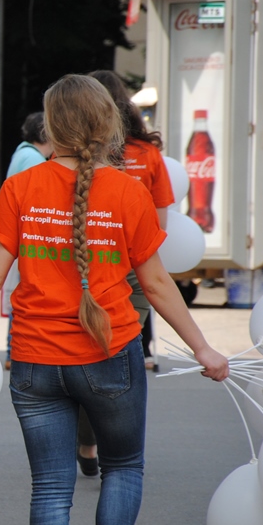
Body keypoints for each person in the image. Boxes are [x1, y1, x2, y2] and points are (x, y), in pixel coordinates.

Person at [0, 74, 228, 525]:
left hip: (34, 359)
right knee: (123, 466)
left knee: (50, 489)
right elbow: (156, 285)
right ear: (109, 125)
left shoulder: (21, 188)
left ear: (52, 126)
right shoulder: (129, 192)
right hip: (110, 355)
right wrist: (203, 348)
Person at [74, 70, 176, 477]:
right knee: (117, 346)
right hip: (134, 268)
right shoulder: (148, 154)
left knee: (81, 350)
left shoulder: (72, 157)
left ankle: (87, 439)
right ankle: (113, 444)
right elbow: (161, 223)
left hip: (84, 261)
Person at [3, 112, 53, 369]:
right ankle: (14, 350)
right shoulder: (34, 161)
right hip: (30, 238)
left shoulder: (22, 153)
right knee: (27, 294)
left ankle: (11, 350)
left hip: (19, 235)